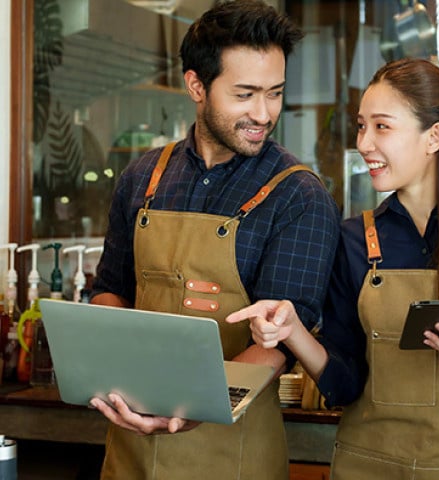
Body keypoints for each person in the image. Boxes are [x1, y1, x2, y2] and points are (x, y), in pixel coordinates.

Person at [88, 1, 340, 479]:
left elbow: (279, 342)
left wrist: (185, 408)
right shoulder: (142, 176)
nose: (263, 114)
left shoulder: (298, 195)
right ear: (196, 86)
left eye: (275, 93)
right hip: (129, 448)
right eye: (244, 94)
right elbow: (110, 290)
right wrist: (111, 370)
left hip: (233, 452)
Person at [227, 57, 439, 479]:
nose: (364, 143)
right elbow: (345, 384)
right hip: (368, 466)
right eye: (362, 126)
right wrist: (294, 332)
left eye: (382, 126)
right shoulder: (353, 240)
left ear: (434, 137)